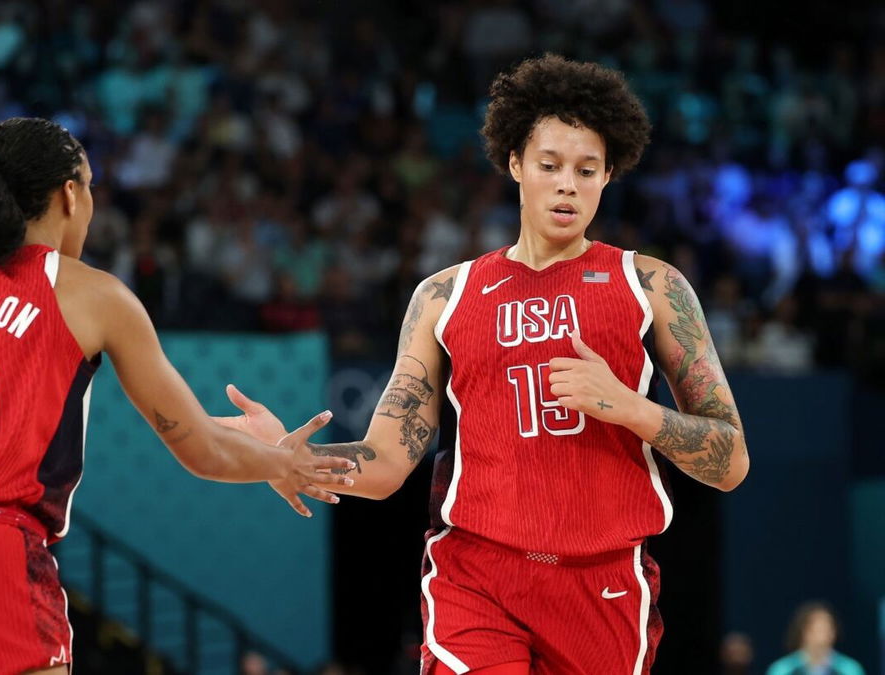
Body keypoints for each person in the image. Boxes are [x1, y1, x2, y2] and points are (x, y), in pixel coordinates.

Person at [216, 55, 749, 674]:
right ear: (516, 164)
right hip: (477, 574)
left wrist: (631, 408)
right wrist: (285, 456)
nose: (567, 184)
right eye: (549, 166)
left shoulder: (652, 285)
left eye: (587, 170)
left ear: (609, 177)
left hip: (603, 583)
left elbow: (731, 460)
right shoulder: (445, 296)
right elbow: (388, 461)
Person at [0, 117, 353, 675]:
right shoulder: (94, 295)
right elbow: (198, 450)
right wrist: (282, 462)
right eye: (91, 189)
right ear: (69, 195)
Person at [766, 602, 865, 675]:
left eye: (827, 629)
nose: (822, 635)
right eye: (816, 629)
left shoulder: (849, 669)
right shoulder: (783, 670)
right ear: (803, 632)